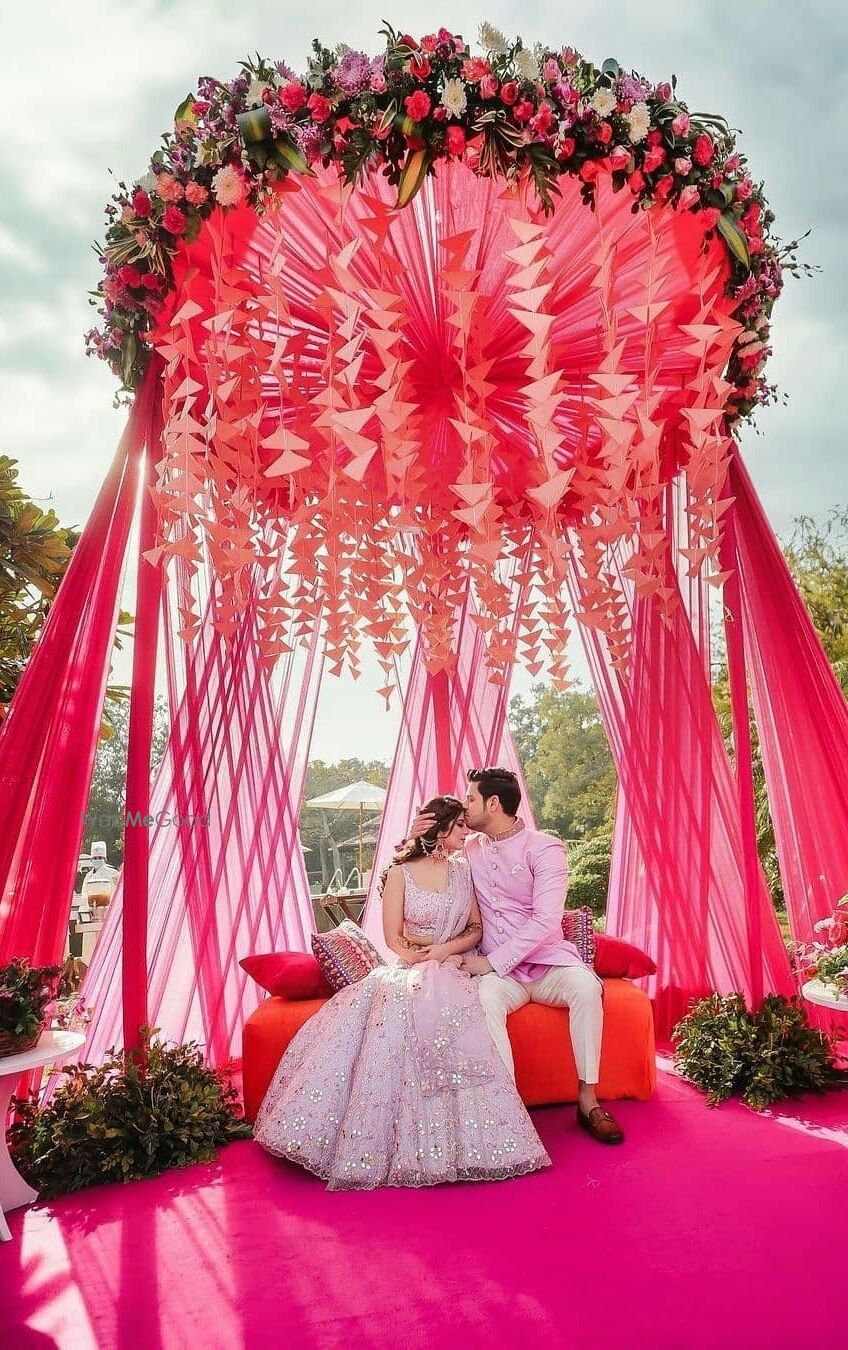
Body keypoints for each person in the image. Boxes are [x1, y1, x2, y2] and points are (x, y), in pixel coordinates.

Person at [253, 795, 551, 1189]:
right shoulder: (399, 874)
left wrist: (444, 952)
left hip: (452, 965)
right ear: (440, 829)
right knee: (394, 1010)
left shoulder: (464, 872)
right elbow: (393, 939)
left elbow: (475, 928)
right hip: (409, 967)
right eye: (460, 825)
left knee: (463, 1015)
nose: (467, 831)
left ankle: (466, 1142)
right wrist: (419, 960)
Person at [411, 768, 624, 1145]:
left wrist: (491, 963)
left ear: (493, 804)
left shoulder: (544, 847)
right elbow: (425, 861)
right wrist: (419, 833)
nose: (465, 804)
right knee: (483, 999)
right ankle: (509, 1106)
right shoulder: (471, 848)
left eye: (471, 798)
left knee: (587, 989)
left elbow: (545, 920)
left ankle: (588, 1100)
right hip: (502, 975)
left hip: (548, 964)